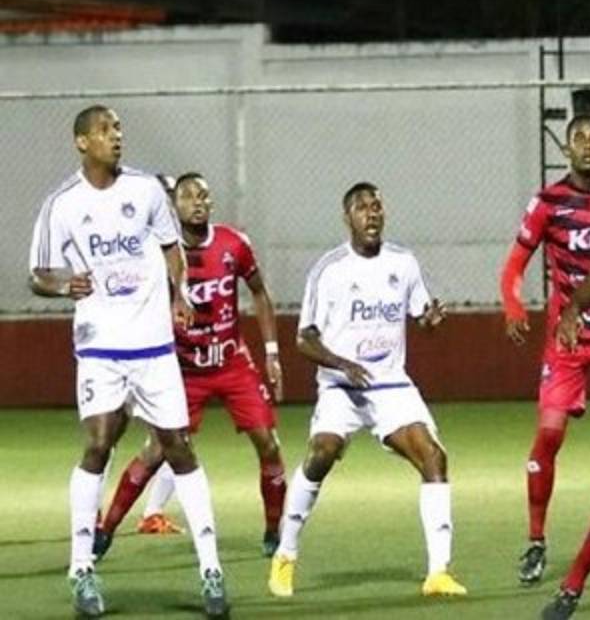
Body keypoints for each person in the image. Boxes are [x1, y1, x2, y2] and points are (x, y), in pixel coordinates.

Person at [28, 105, 228, 618]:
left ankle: (211, 569)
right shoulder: (62, 204)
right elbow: (37, 274)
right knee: (97, 445)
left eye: (117, 129)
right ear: (81, 142)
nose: (115, 137)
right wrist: (60, 284)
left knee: (179, 448)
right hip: (99, 347)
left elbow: (170, 248)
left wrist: (179, 292)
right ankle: (81, 568)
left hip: (154, 346)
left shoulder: (144, 192)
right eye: (103, 130)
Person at [267, 182, 466, 599]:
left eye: (377, 207)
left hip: (390, 384)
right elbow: (304, 339)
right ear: (348, 218)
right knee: (321, 454)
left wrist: (430, 320)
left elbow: (421, 314)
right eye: (362, 208)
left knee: (434, 456)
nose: (372, 214)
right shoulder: (330, 269)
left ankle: (438, 572)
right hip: (341, 386)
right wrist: (342, 364)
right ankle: (285, 555)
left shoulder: (404, 263)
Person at [94, 171, 287, 558]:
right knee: (157, 451)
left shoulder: (234, 243)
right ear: (174, 205)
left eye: (204, 194)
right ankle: (105, 530)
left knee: (268, 444)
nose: (198, 201)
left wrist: (271, 353)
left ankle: (273, 531)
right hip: (181, 369)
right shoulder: (155, 252)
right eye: (187, 195)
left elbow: (260, 295)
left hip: (232, 363)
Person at [500, 116, 590, 587]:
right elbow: (514, 266)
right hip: (566, 343)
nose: (588, 144)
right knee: (548, 436)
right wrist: (513, 303)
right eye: (579, 137)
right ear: (567, 148)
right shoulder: (547, 203)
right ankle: (537, 541)